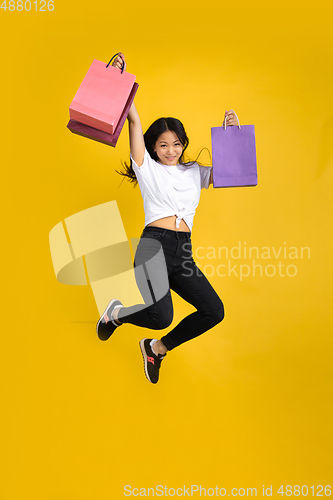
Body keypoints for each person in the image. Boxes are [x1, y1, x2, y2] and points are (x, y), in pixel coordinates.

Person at [96, 53, 239, 384]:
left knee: (213, 311)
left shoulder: (194, 172)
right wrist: (121, 81)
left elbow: (231, 173)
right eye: (163, 145)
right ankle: (116, 313)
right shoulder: (146, 167)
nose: (171, 150)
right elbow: (133, 121)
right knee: (161, 316)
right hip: (154, 247)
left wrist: (233, 135)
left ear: (183, 143)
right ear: (154, 148)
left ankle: (156, 349)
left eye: (176, 144)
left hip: (183, 251)